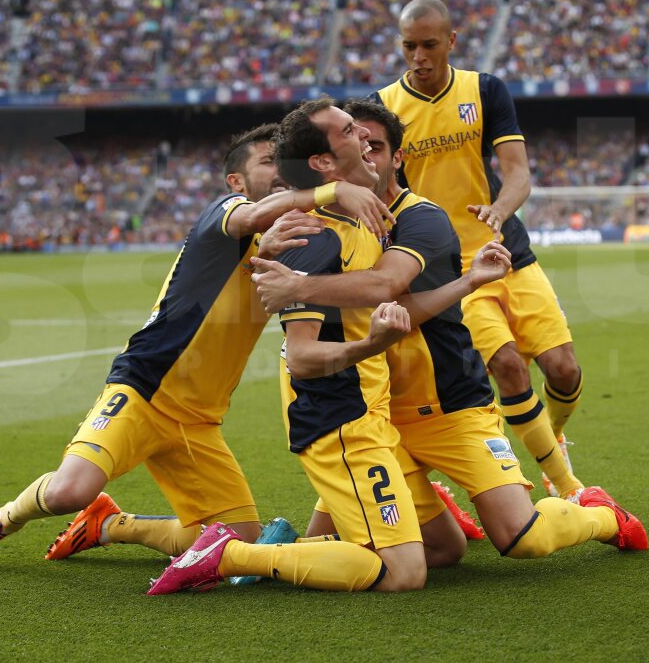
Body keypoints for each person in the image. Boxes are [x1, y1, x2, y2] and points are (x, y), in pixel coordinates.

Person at [0, 124, 392, 567]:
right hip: (144, 389)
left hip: (200, 418)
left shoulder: (289, 236)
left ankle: (110, 525)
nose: (279, 168)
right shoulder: (226, 211)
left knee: (236, 539)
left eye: (282, 159)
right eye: (266, 160)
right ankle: (5, 518)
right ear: (236, 180)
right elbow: (253, 220)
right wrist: (329, 192)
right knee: (69, 491)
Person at [252, 101, 647, 563]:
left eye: (377, 145)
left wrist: (298, 286)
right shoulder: (336, 221)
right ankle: (423, 508)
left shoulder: (422, 218)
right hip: (375, 412)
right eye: (359, 140)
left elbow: (388, 291)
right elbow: (262, 206)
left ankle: (600, 513)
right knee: (408, 547)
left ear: (397, 158)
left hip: (449, 405)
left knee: (524, 539)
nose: (367, 150)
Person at [148, 97, 507, 595]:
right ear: (322, 162)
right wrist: (371, 344)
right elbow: (302, 358)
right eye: (347, 130)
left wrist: (468, 282)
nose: (362, 133)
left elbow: (390, 296)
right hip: (341, 420)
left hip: (371, 415)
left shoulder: (358, 223)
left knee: (446, 549)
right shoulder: (315, 238)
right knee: (405, 574)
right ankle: (229, 553)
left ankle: (270, 550)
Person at [371, 0, 585, 501]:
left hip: (505, 249)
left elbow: (517, 172)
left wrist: (499, 210)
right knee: (508, 365)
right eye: (408, 46)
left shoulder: (484, 90)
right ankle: (566, 484)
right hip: (448, 269)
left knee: (564, 369)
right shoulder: (383, 108)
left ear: (451, 41)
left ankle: (551, 435)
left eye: (428, 45)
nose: (418, 56)